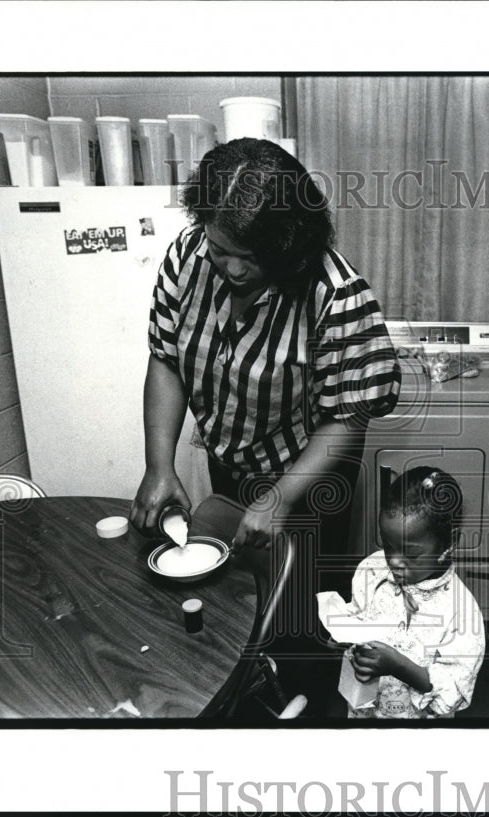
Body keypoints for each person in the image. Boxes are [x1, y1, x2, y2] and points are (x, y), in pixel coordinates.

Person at [128, 137, 401, 555]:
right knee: (236, 590)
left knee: (300, 598)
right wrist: (158, 465)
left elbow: (348, 417)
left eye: (252, 257)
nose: (233, 269)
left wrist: (280, 498)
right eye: (221, 250)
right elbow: (166, 358)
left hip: (307, 478)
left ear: (288, 246)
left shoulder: (337, 294)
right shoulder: (187, 256)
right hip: (230, 463)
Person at [341, 466, 486, 719]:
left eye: (411, 554)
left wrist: (398, 666)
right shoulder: (372, 571)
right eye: (388, 546)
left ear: (450, 542)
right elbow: (356, 618)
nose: (395, 561)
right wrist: (347, 641)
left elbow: (450, 693)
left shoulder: (461, 613)